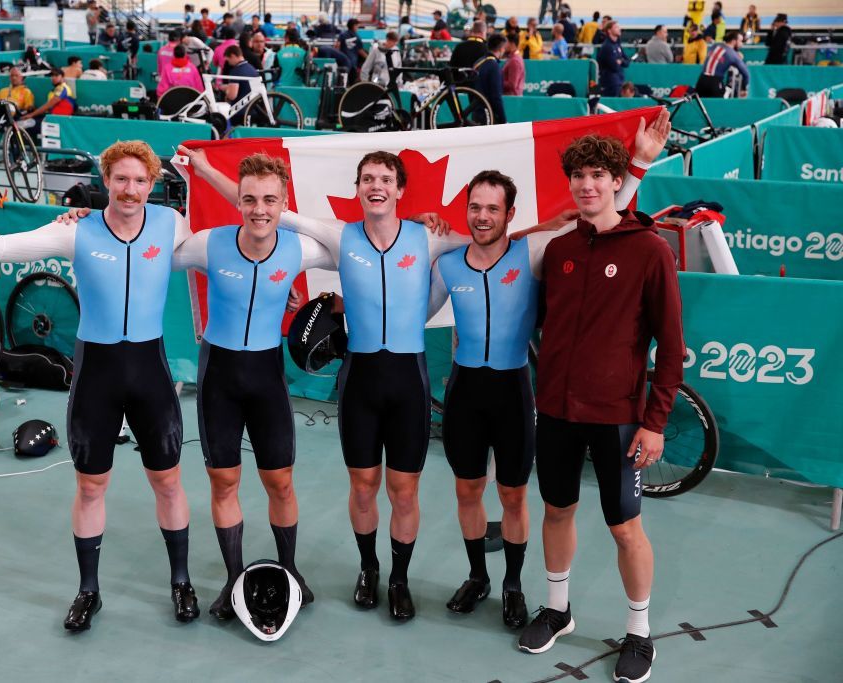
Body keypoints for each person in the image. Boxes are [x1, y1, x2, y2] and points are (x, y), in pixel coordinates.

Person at [184, 149, 468, 622]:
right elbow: (262, 207)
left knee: (404, 490)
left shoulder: (427, 238)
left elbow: (491, 239)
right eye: (368, 179)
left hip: (407, 378)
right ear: (358, 188)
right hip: (359, 377)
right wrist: (206, 171)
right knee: (363, 487)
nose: (376, 186)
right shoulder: (339, 237)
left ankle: (398, 581)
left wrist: (554, 223)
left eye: (385, 179)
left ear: (399, 189)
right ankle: (368, 570)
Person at [427, 111, 666, 627]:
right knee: (468, 491)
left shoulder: (537, 250)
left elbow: (605, 222)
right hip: (466, 390)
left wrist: (641, 164)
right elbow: (408, 303)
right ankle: (479, 577)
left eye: (493, 208)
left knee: (515, 495)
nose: (483, 216)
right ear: (465, 211)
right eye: (475, 208)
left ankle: (515, 586)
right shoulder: (448, 259)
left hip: (517, 389)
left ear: (511, 215)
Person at [0, 140, 200, 630]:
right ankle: (89, 591)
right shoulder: (76, 232)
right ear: (106, 180)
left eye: (140, 181)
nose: (130, 190)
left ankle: (181, 580)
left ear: (153, 185)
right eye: (121, 179)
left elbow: (222, 251)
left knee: (168, 481)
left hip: (150, 370)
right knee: (91, 487)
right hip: (97, 373)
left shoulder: (172, 225)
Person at [517, 123, 679, 683]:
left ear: (617, 182)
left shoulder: (650, 251)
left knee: (625, 528)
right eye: (578, 176)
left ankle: (639, 632)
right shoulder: (558, 250)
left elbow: (673, 348)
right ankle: (558, 609)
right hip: (557, 412)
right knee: (556, 510)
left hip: (618, 419)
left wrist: (654, 423)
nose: (587, 185)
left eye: (597, 176)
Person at [167, 152, 333, 618]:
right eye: (250, 200)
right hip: (218, 373)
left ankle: (290, 569)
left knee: (280, 481)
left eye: (270, 201)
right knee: (225, 481)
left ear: (284, 204)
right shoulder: (209, 244)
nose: (260, 209)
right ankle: (234, 579)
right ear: (237, 202)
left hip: (266, 375)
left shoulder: (299, 248)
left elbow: (356, 247)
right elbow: (148, 250)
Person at [21, 68, 77, 133]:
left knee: (27, 124)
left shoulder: (63, 88)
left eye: (56, 75)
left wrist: (32, 115)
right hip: (51, 117)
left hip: (58, 121)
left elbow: (49, 105)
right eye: (52, 76)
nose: (53, 78)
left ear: (62, 77)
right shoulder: (54, 91)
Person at [696, 30, 749, 97]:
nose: (742, 44)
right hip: (714, 83)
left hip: (701, 80)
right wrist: (744, 89)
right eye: (740, 41)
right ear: (733, 41)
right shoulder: (733, 55)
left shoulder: (715, 45)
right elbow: (746, 74)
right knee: (719, 105)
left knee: (699, 105)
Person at [473, 34, 507, 123]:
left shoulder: (478, 62)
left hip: (476, 113)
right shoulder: (494, 66)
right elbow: (496, 97)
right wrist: (503, 120)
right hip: (489, 115)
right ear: (501, 48)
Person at [220, 45, 259, 124]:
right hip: (252, 110)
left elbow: (232, 95)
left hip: (238, 112)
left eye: (228, 60)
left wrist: (226, 89)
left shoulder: (236, 71)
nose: (229, 64)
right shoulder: (252, 69)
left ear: (233, 56)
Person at [597, 20, 629, 97]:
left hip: (619, 81)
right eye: (616, 27)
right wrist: (620, 61)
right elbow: (614, 66)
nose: (619, 29)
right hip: (610, 84)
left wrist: (620, 61)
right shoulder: (607, 46)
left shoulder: (617, 44)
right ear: (609, 30)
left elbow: (627, 61)